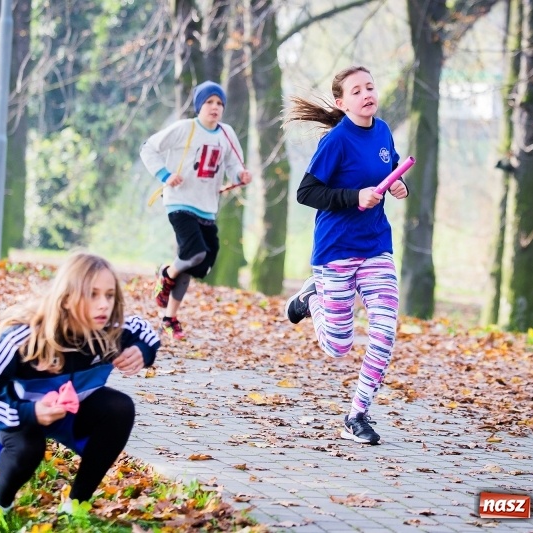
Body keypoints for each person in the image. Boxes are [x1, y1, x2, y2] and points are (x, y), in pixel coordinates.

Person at [0, 251, 160, 526]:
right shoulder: (25, 338)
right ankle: (0, 504)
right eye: (92, 294)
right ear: (66, 297)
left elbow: (145, 330)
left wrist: (142, 351)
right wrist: (29, 413)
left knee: (120, 408)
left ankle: (76, 504)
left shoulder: (112, 329)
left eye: (109, 295)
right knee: (30, 447)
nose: (104, 305)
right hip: (20, 413)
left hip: (71, 412)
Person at [283, 66, 409, 445]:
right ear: (342, 102)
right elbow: (306, 193)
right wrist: (354, 197)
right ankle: (311, 299)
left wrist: (399, 184)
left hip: (375, 248)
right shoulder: (336, 142)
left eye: (370, 86)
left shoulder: (383, 131)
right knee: (338, 346)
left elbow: (391, 168)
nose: (367, 94)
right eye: (357, 90)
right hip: (336, 250)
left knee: (385, 332)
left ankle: (356, 415)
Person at [140, 80, 252, 340]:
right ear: (199, 106)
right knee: (194, 253)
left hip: (207, 207)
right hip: (179, 202)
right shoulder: (184, 128)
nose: (215, 107)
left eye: (220, 103)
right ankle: (165, 274)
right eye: (210, 102)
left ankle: (169, 317)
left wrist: (241, 175)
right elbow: (148, 148)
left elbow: (234, 165)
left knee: (200, 264)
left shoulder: (227, 134)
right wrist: (165, 174)